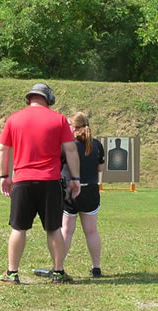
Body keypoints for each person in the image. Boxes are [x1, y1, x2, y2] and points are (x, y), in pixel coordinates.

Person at [0, 83, 81, 284]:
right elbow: (70, 150)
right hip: (50, 181)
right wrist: (76, 178)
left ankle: (12, 273)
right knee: (53, 228)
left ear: (30, 98)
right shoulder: (59, 119)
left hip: (22, 181)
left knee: (18, 228)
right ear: (48, 99)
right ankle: (58, 273)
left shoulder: (14, 119)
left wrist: (4, 176)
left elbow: (3, 149)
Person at [61, 112, 105, 277]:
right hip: (91, 190)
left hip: (71, 189)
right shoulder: (96, 145)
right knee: (92, 231)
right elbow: (100, 168)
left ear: (74, 127)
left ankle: (59, 267)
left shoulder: (68, 145)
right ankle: (96, 268)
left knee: (66, 231)